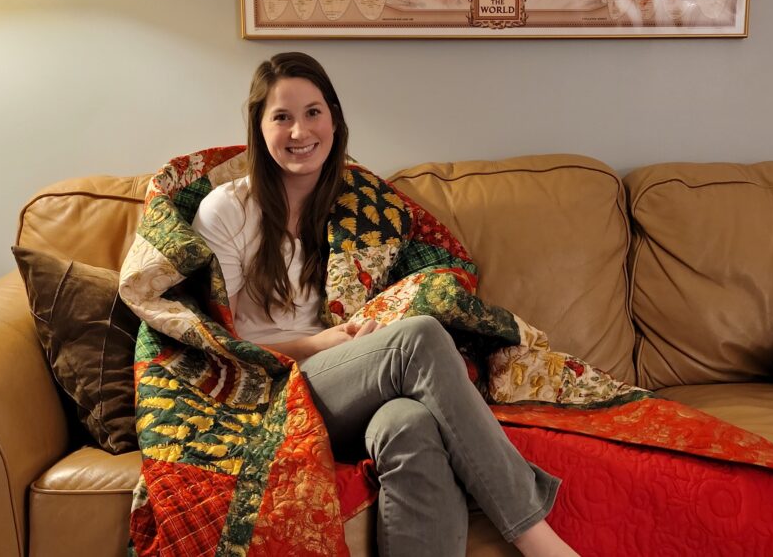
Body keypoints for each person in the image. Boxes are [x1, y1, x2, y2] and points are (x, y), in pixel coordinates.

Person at [191, 52, 579, 557]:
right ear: (259, 129)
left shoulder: (360, 205)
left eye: (313, 112)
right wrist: (318, 342)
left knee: (408, 423)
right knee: (417, 338)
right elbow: (221, 341)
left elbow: (427, 272)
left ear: (333, 119)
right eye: (281, 117)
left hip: (343, 385)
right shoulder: (227, 210)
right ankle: (537, 538)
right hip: (267, 387)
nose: (299, 130)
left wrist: (358, 334)